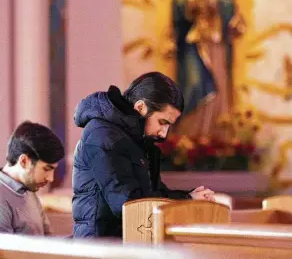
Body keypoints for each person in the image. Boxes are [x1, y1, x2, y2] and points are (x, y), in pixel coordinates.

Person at [72, 72, 215, 238]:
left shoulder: (135, 139)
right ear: (140, 107)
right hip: (99, 247)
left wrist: (189, 197)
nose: (163, 134)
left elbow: (154, 194)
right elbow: (128, 204)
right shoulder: (102, 135)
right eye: (163, 122)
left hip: (127, 242)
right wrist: (187, 200)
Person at [172, 0, 244, 141]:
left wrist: (217, 3)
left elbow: (229, 8)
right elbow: (178, 9)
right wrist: (191, 1)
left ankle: (214, 134)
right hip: (193, 43)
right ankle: (189, 135)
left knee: (218, 85)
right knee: (194, 83)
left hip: (215, 42)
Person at [0, 121, 65, 235]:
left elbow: (48, 241)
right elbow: (4, 253)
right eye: (46, 169)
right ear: (24, 161)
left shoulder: (28, 189)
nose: (51, 178)